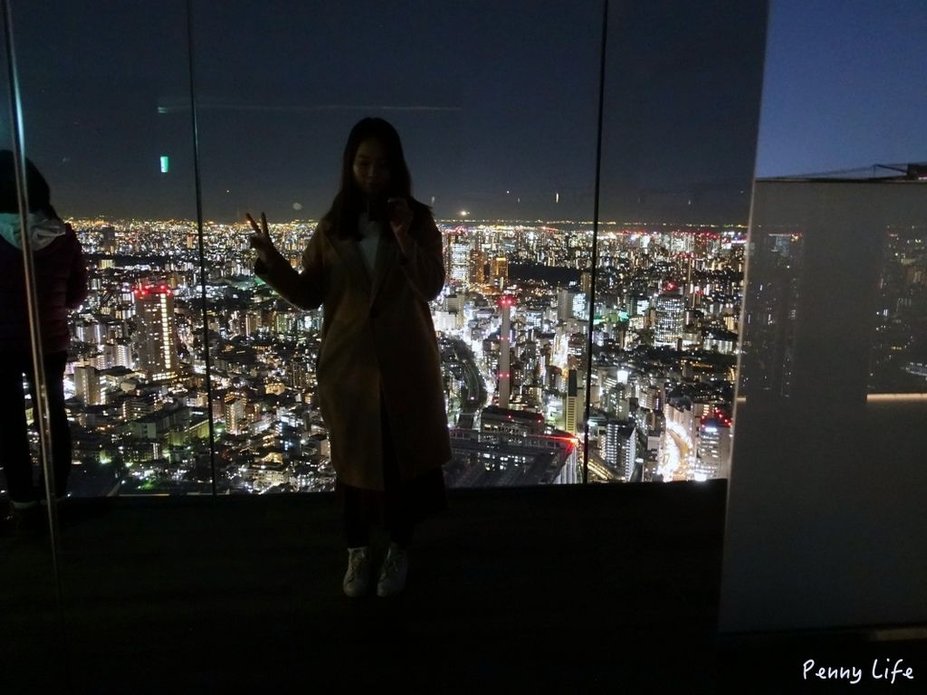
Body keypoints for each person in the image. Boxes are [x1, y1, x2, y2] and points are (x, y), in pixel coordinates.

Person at [248, 118, 451, 597]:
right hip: (349, 367)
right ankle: (357, 554)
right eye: (363, 163)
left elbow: (432, 286)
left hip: (405, 364)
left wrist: (403, 236)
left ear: (396, 167)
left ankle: (398, 549)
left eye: (382, 164)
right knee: (355, 469)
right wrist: (271, 261)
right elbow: (309, 293)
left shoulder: (418, 221)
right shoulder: (332, 224)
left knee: (402, 464)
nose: (373, 174)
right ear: (350, 166)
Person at [0, 151, 88, 525]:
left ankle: (22, 501)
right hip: (50, 341)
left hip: (2, 344)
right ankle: (55, 493)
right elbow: (76, 294)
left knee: (8, 421)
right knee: (53, 416)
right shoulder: (63, 235)